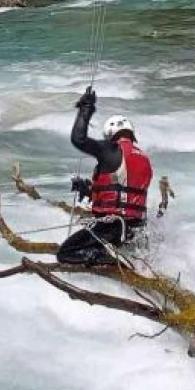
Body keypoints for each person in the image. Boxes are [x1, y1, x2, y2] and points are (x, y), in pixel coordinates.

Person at [58, 87, 153, 266]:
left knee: (66, 253)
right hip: (135, 228)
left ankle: (108, 258)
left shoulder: (111, 149)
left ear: (110, 134)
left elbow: (79, 139)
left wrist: (86, 108)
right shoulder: (144, 159)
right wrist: (89, 190)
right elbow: (122, 189)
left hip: (111, 226)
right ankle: (119, 258)